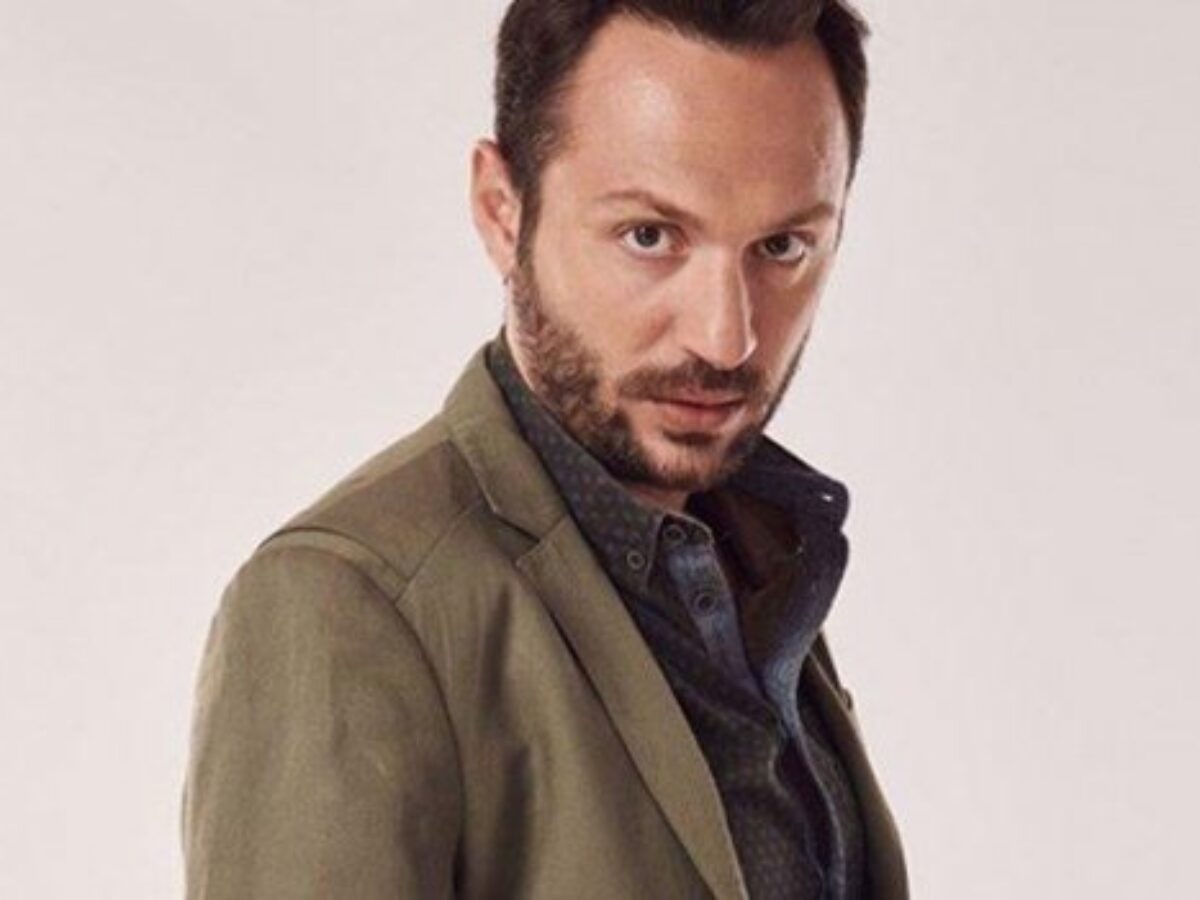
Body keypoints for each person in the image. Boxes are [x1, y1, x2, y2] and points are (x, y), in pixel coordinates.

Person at [182, 1, 908, 897]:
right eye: (650, 236)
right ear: (501, 211)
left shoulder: (756, 554)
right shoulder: (352, 601)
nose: (727, 338)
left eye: (782, 246)